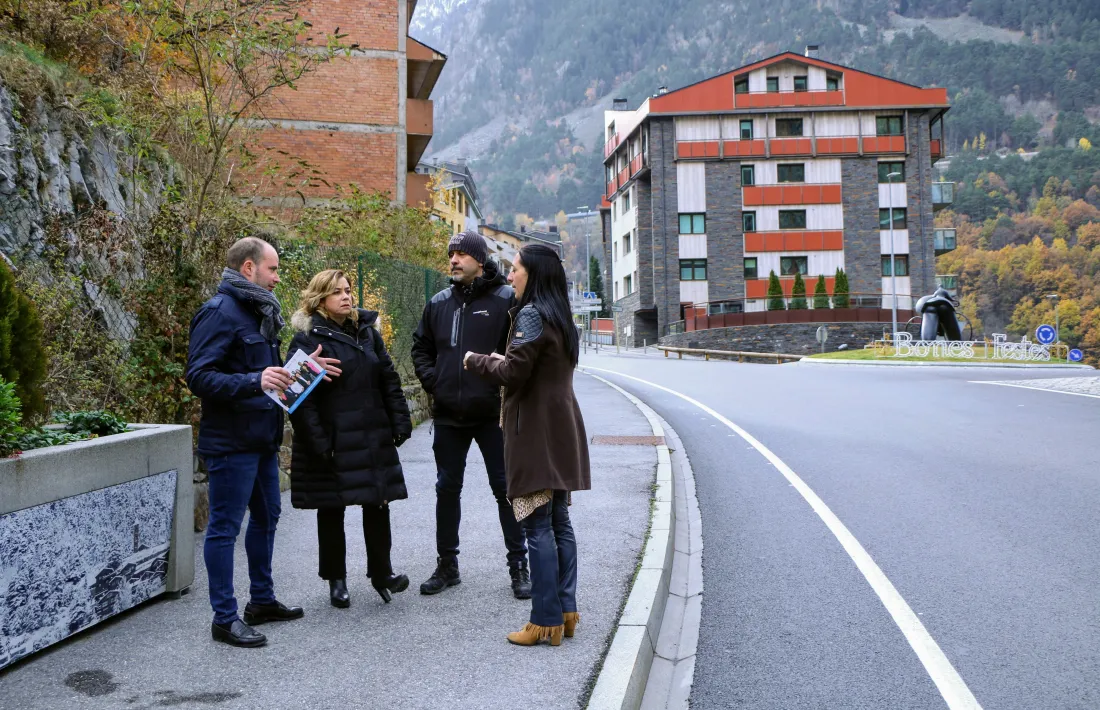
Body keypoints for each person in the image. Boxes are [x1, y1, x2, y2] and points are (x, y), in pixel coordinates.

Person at [186, 237, 340, 648]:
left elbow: (271, 378)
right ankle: (224, 617)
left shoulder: (258, 310)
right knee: (223, 528)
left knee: (268, 516)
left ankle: (262, 601)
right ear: (249, 268)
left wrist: (306, 370)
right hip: (231, 443)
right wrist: (253, 380)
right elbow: (199, 376)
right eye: (272, 269)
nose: (277, 277)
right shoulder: (220, 312)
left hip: (262, 439)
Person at [464, 244, 591, 647]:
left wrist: (476, 360)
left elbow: (515, 372)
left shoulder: (531, 315)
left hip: (535, 430)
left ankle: (543, 620)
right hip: (562, 426)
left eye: (515, 269)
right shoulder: (560, 316)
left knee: (537, 525)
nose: (511, 275)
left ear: (532, 274)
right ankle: (566, 613)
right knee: (558, 522)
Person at [411, 229, 531, 599]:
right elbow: (421, 348)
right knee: (447, 489)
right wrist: (437, 382)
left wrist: (501, 388)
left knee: (506, 490)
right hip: (449, 414)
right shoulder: (439, 302)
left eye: (461, 253)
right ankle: (447, 565)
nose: (453, 259)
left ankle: (519, 567)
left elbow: (518, 353)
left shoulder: (506, 300)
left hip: (493, 413)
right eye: (451, 253)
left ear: (480, 260)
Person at [286, 270, 413, 608]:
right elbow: (298, 400)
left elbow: (388, 378)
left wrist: (400, 421)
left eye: (348, 291)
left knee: (378, 501)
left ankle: (381, 573)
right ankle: (336, 580)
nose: (347, 297)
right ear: (319, 300)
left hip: (371, 433)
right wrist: (318, 442)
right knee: (331, 508)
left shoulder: (368, 333)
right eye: (337, 292)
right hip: (332, 437)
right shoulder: (307, 339)